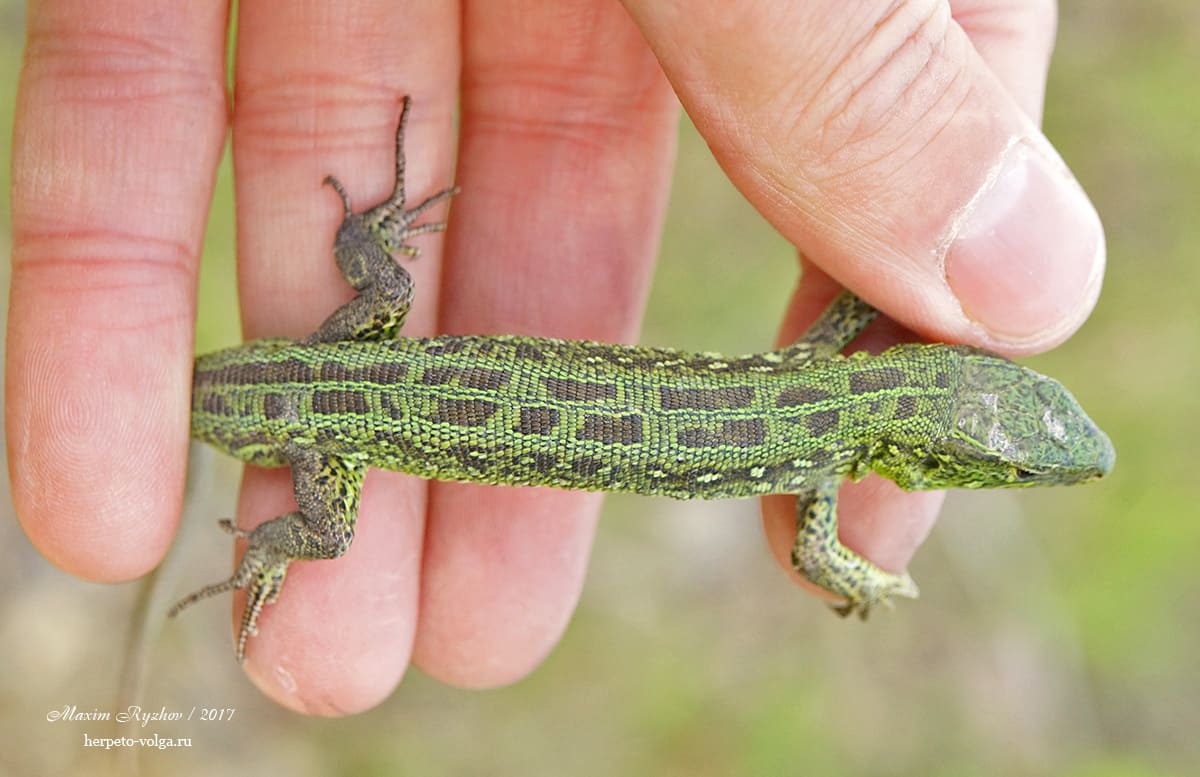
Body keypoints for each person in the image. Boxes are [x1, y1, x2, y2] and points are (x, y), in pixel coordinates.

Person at [7, 0, 1104, 714]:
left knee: (382, 289)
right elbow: (822, 562)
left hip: (360, 367)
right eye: (1005, 461)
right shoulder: (815, 469)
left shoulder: (835, 363)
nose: (1018, 470)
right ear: (927, 455)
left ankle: (372, 249)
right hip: (328, 422)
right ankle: (264, 552)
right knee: (329, 530)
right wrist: (867, 578)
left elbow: (864, 288)